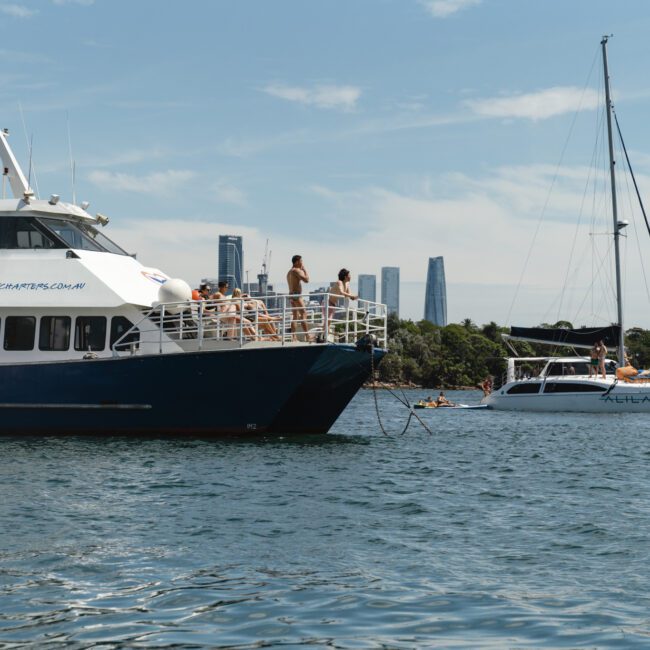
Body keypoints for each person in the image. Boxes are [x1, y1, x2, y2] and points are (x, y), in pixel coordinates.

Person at [286, 254, 311, 341]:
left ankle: (293, 337)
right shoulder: (296, 270)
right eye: (301, 261)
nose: (302, 263)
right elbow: (307, 280)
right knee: (304, 314)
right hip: (296, 295)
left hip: (291, 295)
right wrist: (304, 270)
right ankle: (307, 336)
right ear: (296, 262)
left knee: (295, 316)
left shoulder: (289, 272)